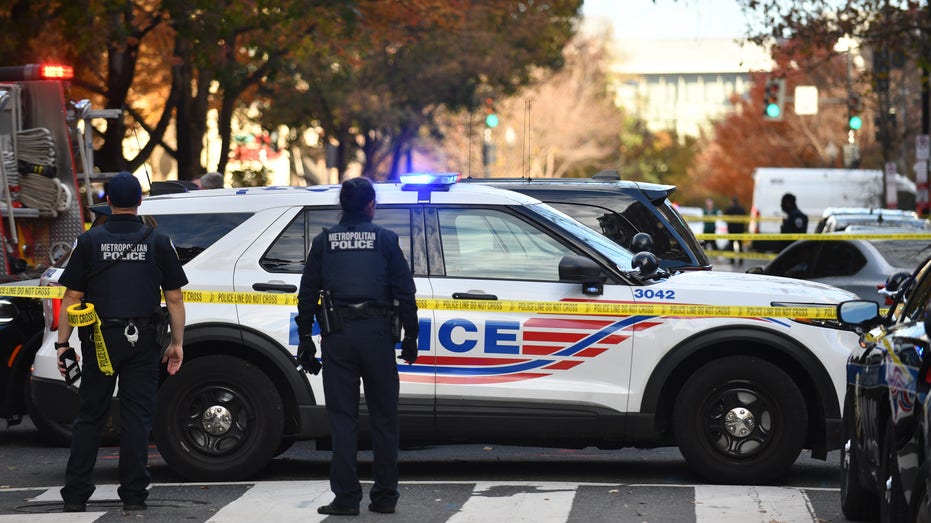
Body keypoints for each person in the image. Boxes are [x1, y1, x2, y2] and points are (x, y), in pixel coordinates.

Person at [56, 171, 188, 513]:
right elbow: (174, 298)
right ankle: (133, 496)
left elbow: (71, 296)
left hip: (99, 339)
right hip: (143, 340)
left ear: (109, 202)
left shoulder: (88, 241)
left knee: (90, 415)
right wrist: (177, 343)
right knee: (136, 417)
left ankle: (75, 495)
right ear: (140, 202)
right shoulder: (158, 241)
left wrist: (62, 344)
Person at [295, 177, 418, 516]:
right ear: (370, 206)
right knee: (383, 419)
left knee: (343, 420)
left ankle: (346, 499)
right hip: (378, 336)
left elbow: (307, 294)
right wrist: (411, 336)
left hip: (339, 337)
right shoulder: (386, 240)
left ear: (342, 206)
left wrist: (305, 337)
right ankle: (385, 498)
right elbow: (405, 292)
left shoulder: (324, 242)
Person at [724, 196, 747, 264]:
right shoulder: (742, 209)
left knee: (731, 246)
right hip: (740, 231)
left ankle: (732, 260)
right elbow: (745, 218)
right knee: (740, 246)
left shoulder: (729, 209)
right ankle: (741, 261)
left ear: (732, 202)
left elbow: (724, 218)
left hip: (731, 231)